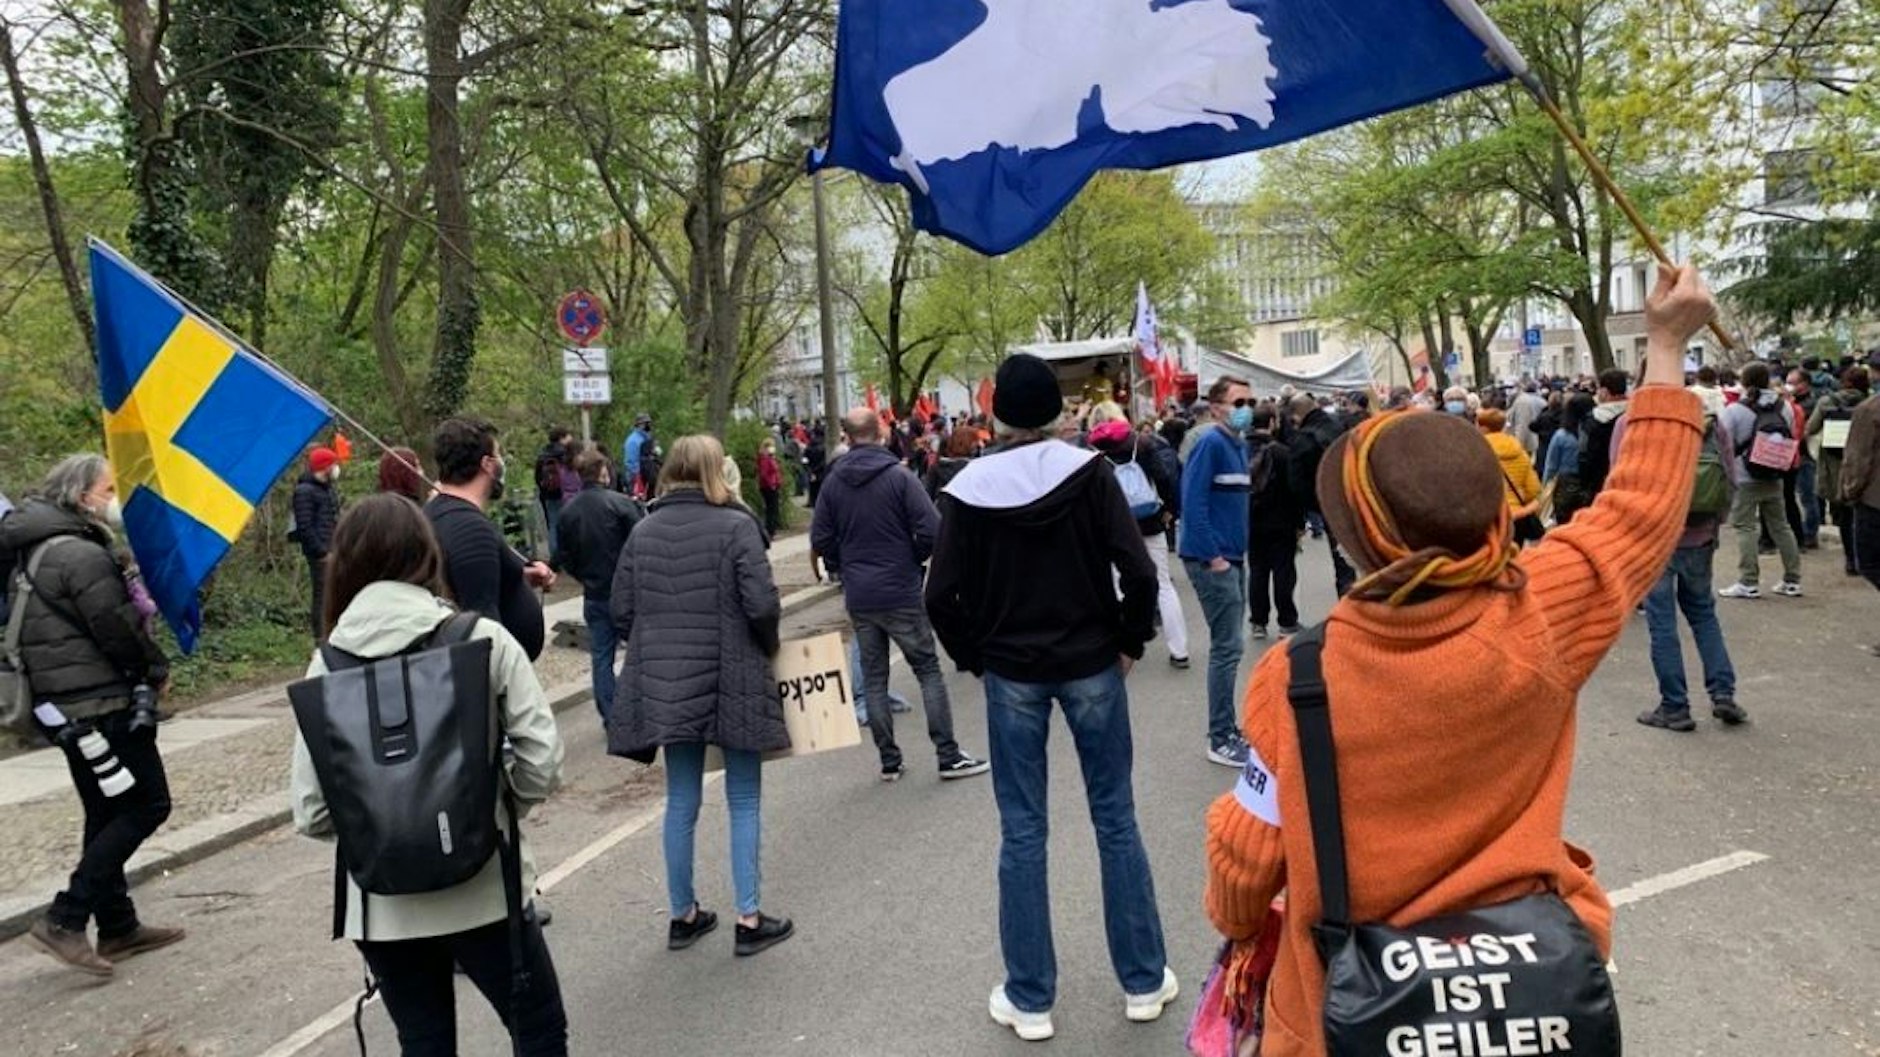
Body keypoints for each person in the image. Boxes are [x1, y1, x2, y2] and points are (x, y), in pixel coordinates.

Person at [1204, 263, 1717, 1057]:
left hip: (1346, 1017)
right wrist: (1667, 344)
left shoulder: (1297, 676)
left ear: (1358, 540)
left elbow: (1247, 860)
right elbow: (1639, 507)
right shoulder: (1542, 612)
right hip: (1530, 1006)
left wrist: (1238, 924)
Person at [925, 353, 1175, 1042]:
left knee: (1023, 830)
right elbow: (1139, 571)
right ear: (1057, 412)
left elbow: (939, 595)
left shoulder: (967, 489)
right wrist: (1130, 639)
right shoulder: (1091, 474)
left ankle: (1030, 996)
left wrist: (975, 657)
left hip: (1013, 670)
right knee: (1115, 819)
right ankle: (1143, 979)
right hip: (1092, 658)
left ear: (997, 413)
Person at [290, 494, 568, 1055]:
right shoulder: (481, 639)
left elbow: (313, 811)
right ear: (426, 554)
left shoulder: (326, 665)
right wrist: (492, 810)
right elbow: (542, 760)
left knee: (424, 1044)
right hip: (486, 887)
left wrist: (381, 830)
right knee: (537, 1030)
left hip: (382, 907)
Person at [607, 435, 794, 956]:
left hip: (667, 679)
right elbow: (761, 605)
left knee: (681, 797)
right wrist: (768, 648)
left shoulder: (643, 530)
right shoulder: (737, 525)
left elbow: (621, 610)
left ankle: (682, 914)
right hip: (733, 671)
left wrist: (656, 641)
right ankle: (749, 918)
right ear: (717, 471)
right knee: (744, 796)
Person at [1, 455, 181, 976]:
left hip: (67, 706)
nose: (114, 498)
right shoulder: (77, 553)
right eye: (108, 488)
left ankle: (118, 925)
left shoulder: (38, 547)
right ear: (82, 497)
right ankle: (66, 916)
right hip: (100, 701)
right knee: (147, 803)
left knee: (105, 812)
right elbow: (115, 625)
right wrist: (153, 669)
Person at [812, 407, 987, 782]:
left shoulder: (833, 483)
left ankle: (889, 761)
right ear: (881, 433)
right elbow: (932, 530)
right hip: (900, 587)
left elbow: (821, 538)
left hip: (860, 593)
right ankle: (947, 754)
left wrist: (844, 563)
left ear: (847, 437)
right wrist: (913, 558)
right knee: (927, 670)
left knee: (874, 678)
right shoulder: (898, 477)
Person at [1628, 408, 1747, 731]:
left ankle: (1674, 706)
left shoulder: (1637, 421)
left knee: (1661, 622)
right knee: (1703, 613)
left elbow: (1622, 485)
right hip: (1700, 534)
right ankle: (1723, 692)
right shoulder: (1709, 423)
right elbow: (1729, 478)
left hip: (1655, 539)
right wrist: (1715, 524)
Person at [425, 418, 555, 660]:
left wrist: (520, 576)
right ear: (487, 464)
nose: (502, 463)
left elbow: (470, 578)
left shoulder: (438, 513)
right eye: (498, 455)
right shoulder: (470, 529)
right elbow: (481, 625)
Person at [1180, 375, 1253, 767]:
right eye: (1239, 402)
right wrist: (1214, 557)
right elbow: (1192, 503)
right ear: (1216, 408)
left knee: (1231, 647)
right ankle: (1220, 736)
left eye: (1250, 402)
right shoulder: (1210, 443)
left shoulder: (1238, 445)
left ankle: (1227, 729)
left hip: (1232, 557)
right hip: (1215, 560)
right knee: (1227, 648)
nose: (1247, 409)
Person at [1088, 404, 1188, 668]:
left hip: (1112, 526)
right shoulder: (1141, 443)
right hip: (1149, 520)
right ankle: (1179, 650)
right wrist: (1168, 509)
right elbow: (1164, 478)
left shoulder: (1092, 451)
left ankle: (1123, 645)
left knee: (1117, 583)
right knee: (1163, 584)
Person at [555, 450, 644, 724]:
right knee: (640, 651)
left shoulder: (567, 512)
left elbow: (564, 556)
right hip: (627, 591)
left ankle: (611, 714)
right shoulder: (621, 504)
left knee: (601, 657)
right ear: (603, 472)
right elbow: (642, 543)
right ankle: (638, 706)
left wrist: (583, 576)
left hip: (594, 592)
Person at [1718, 362, 1804, 599]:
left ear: (1744, 382)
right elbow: (1790, 434)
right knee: (1781, 526)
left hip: (1744, 476)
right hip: (1774, 472)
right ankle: (1792, 579)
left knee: (1745, 527)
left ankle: (1748, 581)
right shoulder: (1784, 407)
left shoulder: (1735, 410)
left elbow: (1724, 444)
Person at [1287, 392, 1358, 597]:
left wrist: (1314, 509)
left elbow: (1297, 485)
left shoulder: (1302, 439)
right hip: (1357, 496)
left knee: (1342, 560)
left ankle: (1349, 602)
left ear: (1297, 416)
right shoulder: (1341, 425)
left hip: (1331, 505)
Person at [1245, 406, 1305, 639]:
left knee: (1257, 571)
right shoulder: (1282, 453)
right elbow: (1294, 490)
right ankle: (1287, 622)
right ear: (1272, 422)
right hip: (1281, 520)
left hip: (1252, 520)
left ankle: (1258, 622)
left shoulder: (1242, 450)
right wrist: (1300, 523)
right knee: (1283, 571)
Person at [1811, 366, 1871, 576]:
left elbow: (1810, 428)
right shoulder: (1870, 404)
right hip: (1865, 465)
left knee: (1844, 516)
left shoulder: (1826, 402)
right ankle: (1864, 557)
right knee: (1863, 515)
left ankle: (1850, 560)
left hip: (1834, 465)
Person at [1840, 384, 1880, 655]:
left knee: (1869, 562)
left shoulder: (1869, 409)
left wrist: (1850, 489)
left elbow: (1858, 458)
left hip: (1874, 499)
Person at [292, 447, 342, 637]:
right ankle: (321, 637)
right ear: (325, 466)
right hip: (320, 554)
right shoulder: (304, 491)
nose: (336, 468)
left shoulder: (327, 489)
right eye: (333, 464)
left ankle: (332, 634)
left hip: (333, 550)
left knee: (333, 595)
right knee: (322, 597)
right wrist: (322, 552)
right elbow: (305, 527)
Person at [1477, 408, 1543, 531]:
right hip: (1516, 515)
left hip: (1489, 515)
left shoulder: (1477, 452)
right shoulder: (1520, 452)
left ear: (1484, 428)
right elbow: (1533, 489)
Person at [1578, 367, 1631, 501]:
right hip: (1627, 481)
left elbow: (1583, 454)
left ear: (1605, 391)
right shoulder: (1633, 415)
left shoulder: (1592, 419)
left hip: (1598, 483)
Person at [1545, 394, 1597, 525]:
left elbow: (1551, 465)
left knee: (1564, 521)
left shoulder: (1561, 435)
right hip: (1591, 482)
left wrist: (1546, 485)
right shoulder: (1595, 433)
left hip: (1566, 483)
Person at [1785, 369, 1823, 549]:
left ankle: (1810, 533)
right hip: (1791, 454)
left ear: (1804, 384)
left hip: (1804, 454)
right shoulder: (1794, 402)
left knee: (1808, 497)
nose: (1789, 386)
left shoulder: (1809, 404)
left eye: (1793, 383)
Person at [533, 427, 574, 566]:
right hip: (566, 494)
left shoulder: (543, 454)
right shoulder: (565, 454)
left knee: (553, 525)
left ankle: (555, 559)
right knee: (569, 525)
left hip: (549, 495)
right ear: (562, 437)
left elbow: (537, 477)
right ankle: (568, 557)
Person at [924, 426, 979, 499]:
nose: (978, 444)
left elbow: (928, 495)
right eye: (975, 441)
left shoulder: (937, 466)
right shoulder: (973, 468)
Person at [1506, 381, 1548, 456]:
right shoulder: (1542, 401)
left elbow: (1522, 426)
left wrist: (1518, 446)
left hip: (1523, 444)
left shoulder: (1522, 402)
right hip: (1533, 437)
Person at [622, 414, 656, 499]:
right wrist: (638, 478)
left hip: (646, 476)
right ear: (639, 425)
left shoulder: (646, 438)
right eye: (646, 423)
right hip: (635, 477)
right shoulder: (633, 441)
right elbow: (631, 462)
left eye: (649, 423)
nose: (648, 426)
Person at [756, 438, 784, 536]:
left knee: (773, 508)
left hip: (773, 484)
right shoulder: (765, 459)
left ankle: (772, 529)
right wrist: (771, 484)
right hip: (769, 486)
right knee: (771, 509)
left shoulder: (770, 458)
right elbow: (764, 474)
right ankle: (770, 530)